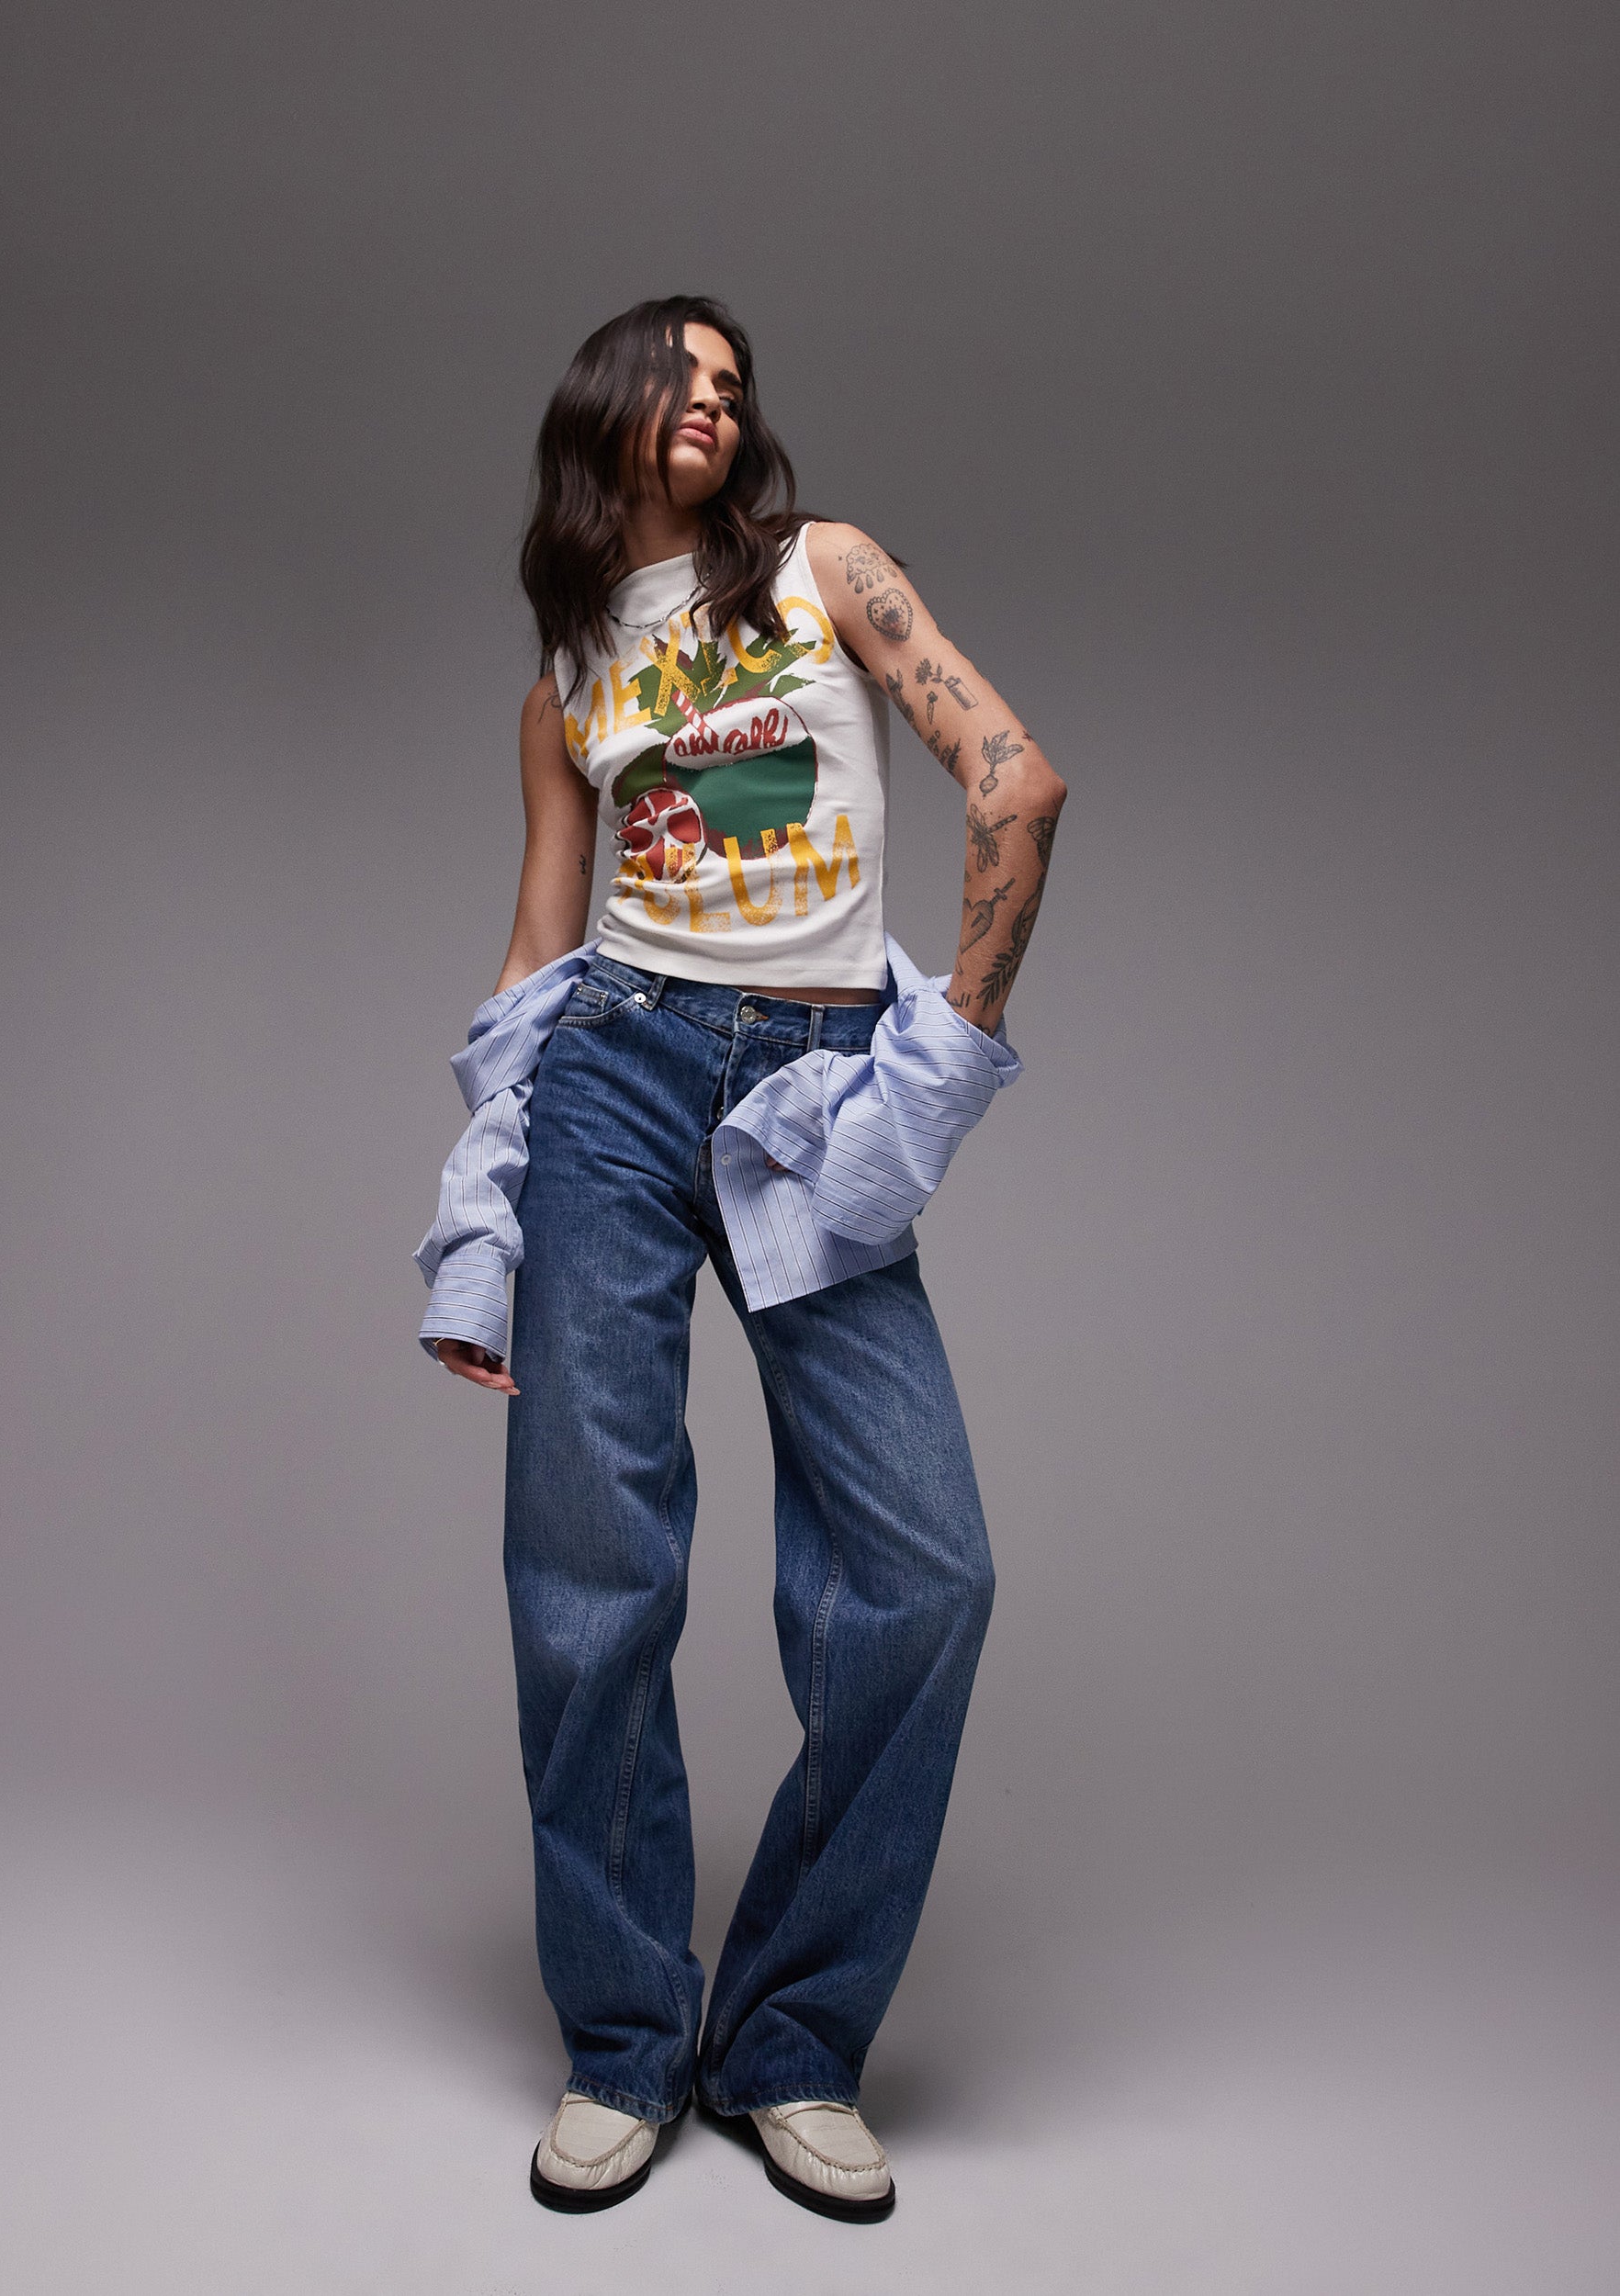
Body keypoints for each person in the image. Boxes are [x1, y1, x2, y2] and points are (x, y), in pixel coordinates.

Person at [416, 295, 1066, 2222]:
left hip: (814, 1090)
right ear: (604, 408)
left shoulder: (824, 572)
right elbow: (537, 959)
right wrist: (477, 1223)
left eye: (732, 382)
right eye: (678, 374)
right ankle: (625, 2039)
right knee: (588, 1577)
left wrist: (940, 1060)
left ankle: (789, 2036)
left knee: (925, 1573)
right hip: (613, 1081)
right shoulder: (565, 683)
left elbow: (1015, 780)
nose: (712, 399)